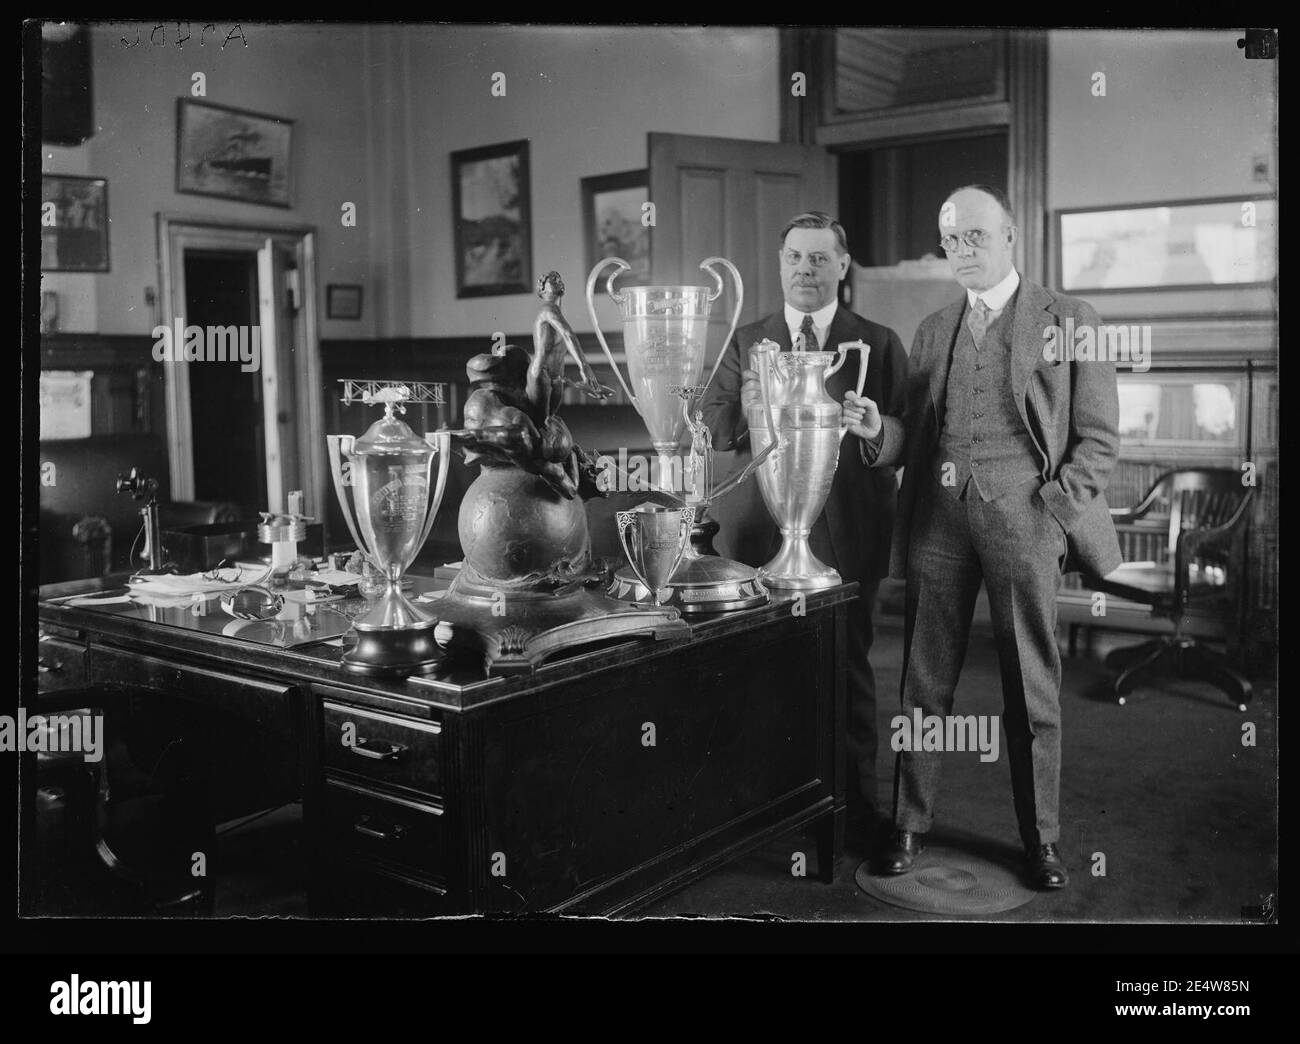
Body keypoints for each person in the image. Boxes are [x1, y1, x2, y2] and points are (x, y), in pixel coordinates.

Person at [843, 185, 1122, 889]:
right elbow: (915, 433)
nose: (961, 251)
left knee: (1032, 687)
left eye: (975, 237)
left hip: (1027, 523)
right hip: (939, 521)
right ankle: (908, 825)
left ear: (1008, 239)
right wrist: (880, 432)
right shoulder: (933, 329)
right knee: (922, 681)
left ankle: (1043, 842)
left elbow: (1099, 439)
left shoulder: (1071, 319)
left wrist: (1052, 512)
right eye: (951, 240)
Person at [701, 212, 908, 849]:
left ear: (843, 267)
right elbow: (715, 427)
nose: (805, 271)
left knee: (847, 673)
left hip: (848, 537)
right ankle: (765, 808)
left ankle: (857, 811)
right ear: (781, 262)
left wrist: (878, 432)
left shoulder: (877, 342)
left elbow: (905, 440)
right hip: (761, 540)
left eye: (820, 259)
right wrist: (760, 392)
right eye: (795, 258)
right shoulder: (748, 339)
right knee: (759, 675)